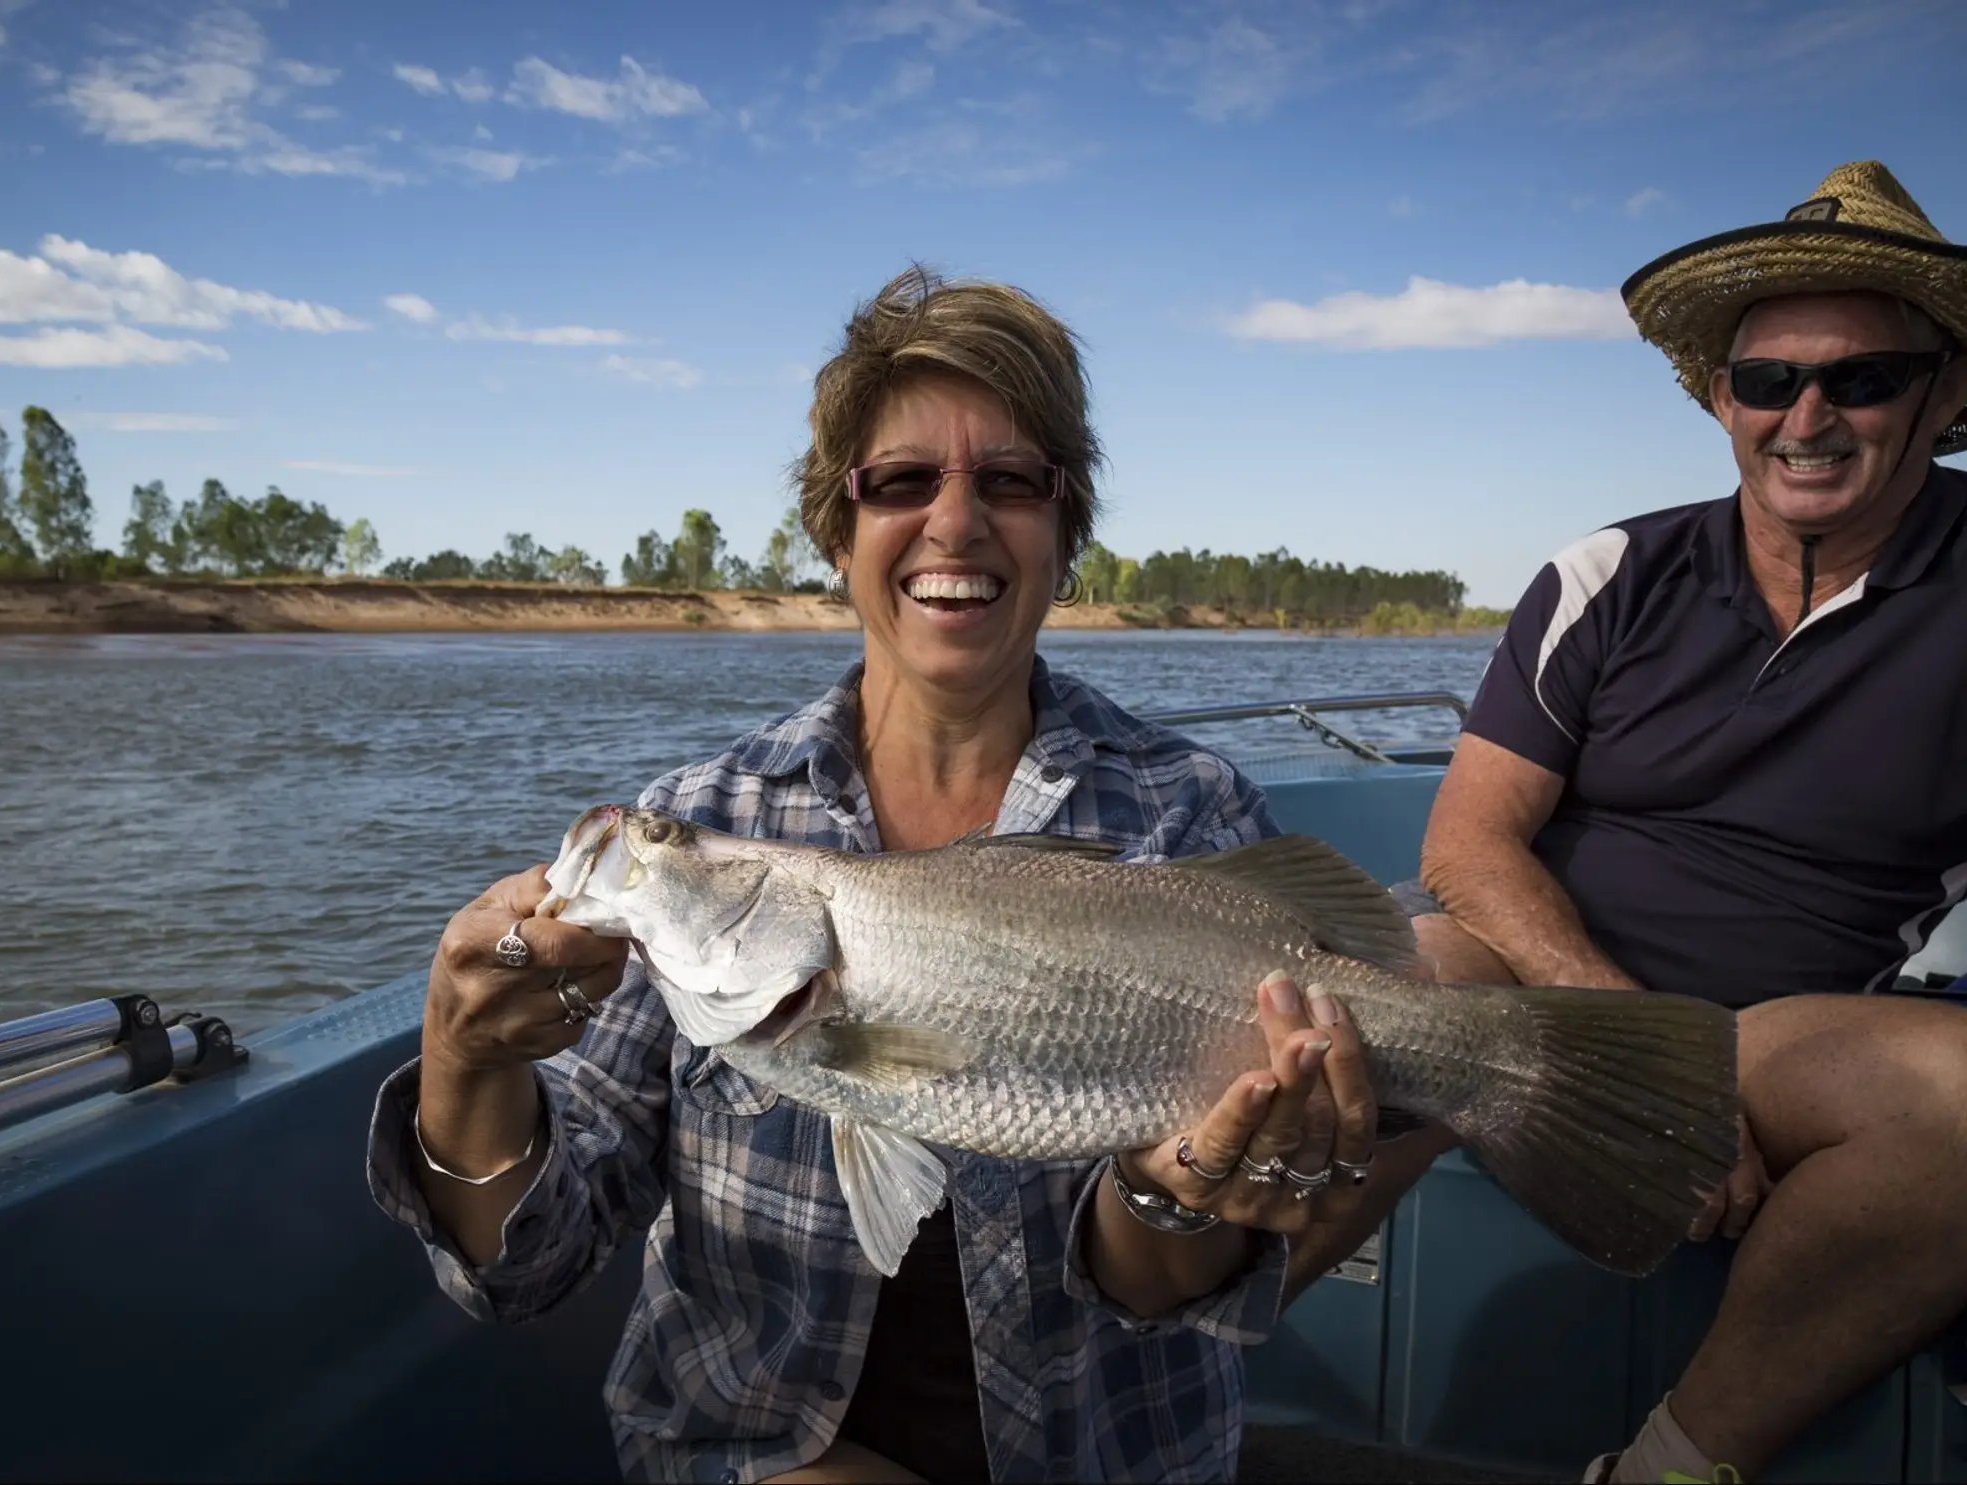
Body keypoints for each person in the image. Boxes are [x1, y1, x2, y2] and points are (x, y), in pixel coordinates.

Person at [365, 266, 1443, 1484]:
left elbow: (1158, 1291)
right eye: (900, 481)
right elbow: (530, 1266)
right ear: (838, 528)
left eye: (1010, 482)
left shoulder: (1186, 808)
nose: (954, 523)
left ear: (1064, 523)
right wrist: (465, 1065)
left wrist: (1172, 1191)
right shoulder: (706, 811)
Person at [1291, 161, 1967, 1485]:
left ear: (1945, 391)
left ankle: (1666, 1467)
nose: (1807, 416)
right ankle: (1156, 1371)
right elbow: (1467, 848)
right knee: (1337, 1006)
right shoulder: (1612, 573)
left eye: (1863, 378)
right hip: (1544, 990)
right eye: (1766, 380)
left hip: (1793, 1030)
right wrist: (1639, 1066)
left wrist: (1703, 1081)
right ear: (1721, 396)